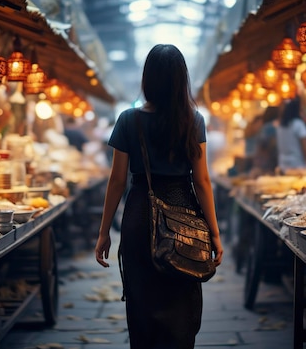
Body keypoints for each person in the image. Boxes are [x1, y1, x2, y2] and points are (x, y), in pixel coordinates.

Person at [95, 44, 223, 349]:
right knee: (181, 296)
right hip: (183, 212)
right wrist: (215, 234)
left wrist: (103, 233)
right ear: (182, 80)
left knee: (141, 302)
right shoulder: (194, 120)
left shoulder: (128, 120)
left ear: (147, 79)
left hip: (140, 213)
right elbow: (202, 181)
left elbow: (116, 181)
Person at [275, 97, 306, 173]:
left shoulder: (280, 126)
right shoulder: (298, 124)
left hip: (283, 166)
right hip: (298, 167)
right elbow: (305, 148)